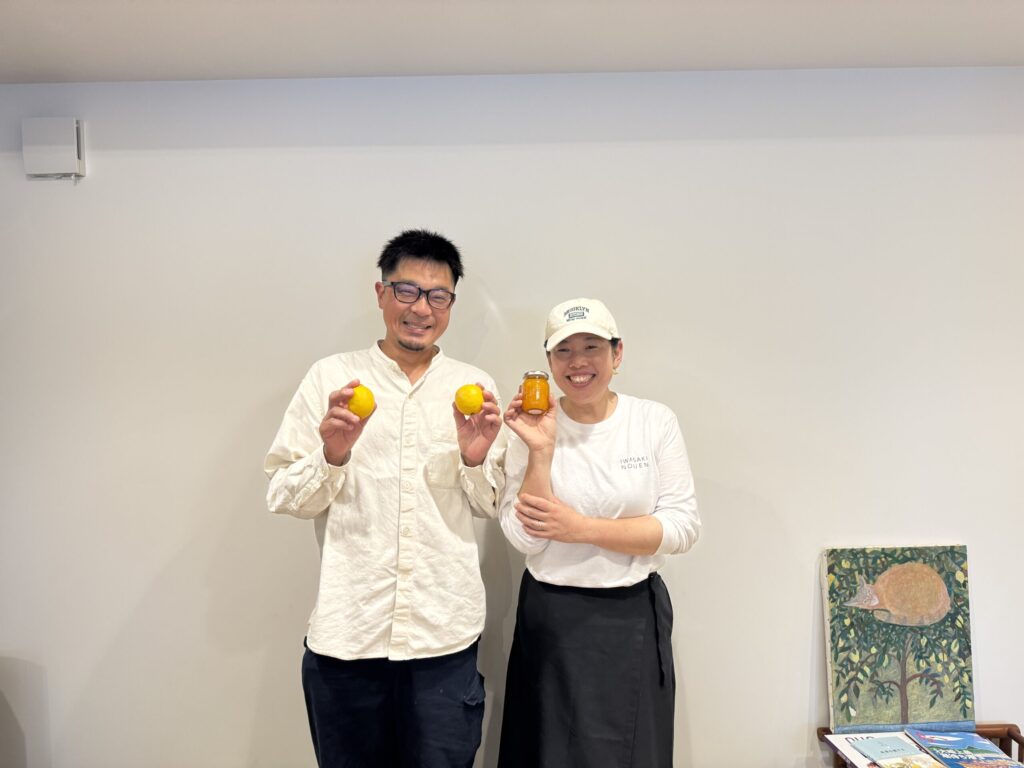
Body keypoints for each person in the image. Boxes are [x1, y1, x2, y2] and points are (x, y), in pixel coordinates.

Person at [264, 230, 505, 768]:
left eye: (437, 295)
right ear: (381, 294)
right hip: (349, 638)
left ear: (451, 304)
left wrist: (473, 460)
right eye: (407, 291)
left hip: (443, 640)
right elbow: (283, 493)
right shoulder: (333, 379)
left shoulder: (474, 385)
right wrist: (332, 455)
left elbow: (492, 504)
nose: (421, 308)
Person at [496, 297, 701, 768]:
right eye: (563, 350)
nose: (578, 362)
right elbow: (526, 539)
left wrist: (581, 529)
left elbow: (682, 526)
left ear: (617, 353)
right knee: (545, 753)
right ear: (549, 361)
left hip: (631, 616)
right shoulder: (531, 425)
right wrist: (541, 450)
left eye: (591, 346)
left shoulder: (652, 421)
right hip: (550, 617)